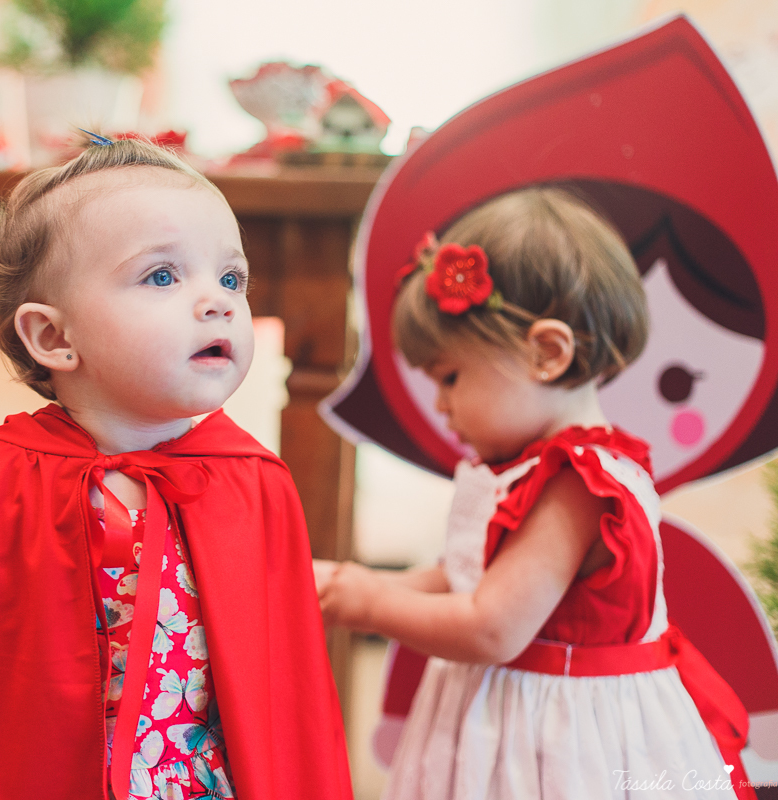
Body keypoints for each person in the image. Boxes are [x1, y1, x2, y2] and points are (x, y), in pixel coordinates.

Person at [0, 136, 353, 800]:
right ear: (54, 337)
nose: (217, 301)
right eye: (162, 276)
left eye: (231, 278)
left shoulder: (255, 483)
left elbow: (285, 710)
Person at [314, 187, 754, 800]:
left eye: (450, 376)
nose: (440, 405)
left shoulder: (576, 483)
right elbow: (465, 574)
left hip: (559, 743)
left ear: (547, 353)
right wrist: (356, 580)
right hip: (507, 714)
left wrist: (364, 604)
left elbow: (493, 627)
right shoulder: (522, 468)